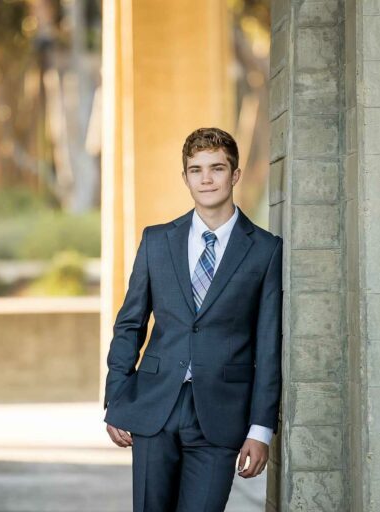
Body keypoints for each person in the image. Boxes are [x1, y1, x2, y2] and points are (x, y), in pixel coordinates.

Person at [103, 127, 283, 511]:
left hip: (221, 414)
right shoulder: (156, 241)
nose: (206, 179)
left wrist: (261, 429)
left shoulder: (266, 251)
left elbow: (269, 345)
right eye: (196, 169)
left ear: (234, 175)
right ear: (185, 177)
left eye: (216, 168)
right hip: (155, 407)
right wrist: (116, 398)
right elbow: (129, 324)